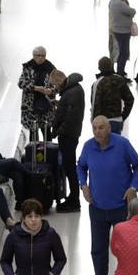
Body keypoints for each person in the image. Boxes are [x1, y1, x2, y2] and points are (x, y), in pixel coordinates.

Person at [77, 116, 138, 275]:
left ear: (109, 128)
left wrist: (133, 187)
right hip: (97, 208)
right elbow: (80, 166)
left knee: (126, 249)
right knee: (98, 249)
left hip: (121, 208)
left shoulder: (122, 145)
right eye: (94, 128)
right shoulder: (88, 146)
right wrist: (83, 185)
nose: (97, 131)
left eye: (101, 128)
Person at [49, 71, 85, 213]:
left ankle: (74, 201)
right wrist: (60, 104)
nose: (55, 88)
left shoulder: (72, 92)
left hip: (68, 135)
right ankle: (72, 197)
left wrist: (58, 130)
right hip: (70, 134)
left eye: (54, 85)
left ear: (58, 82)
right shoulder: (72, 90)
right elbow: (69, 110)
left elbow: (70, 118)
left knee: (70, 167)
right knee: (69, 166)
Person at [18, 46, 57, 142]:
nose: (41, 58)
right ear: (34, 56)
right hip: (31, 107)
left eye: (43, 55)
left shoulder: (51, 68)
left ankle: (48, 154)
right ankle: (33, 155)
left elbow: (58, 86)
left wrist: (51, 91)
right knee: (33, 134)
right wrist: (35, 88)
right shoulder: (28, 67)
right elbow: (21, 83)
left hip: (46, 106)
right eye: (38, 55)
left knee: (47, 132)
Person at [91, 57, 135, 134]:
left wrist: (94, 123)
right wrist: (123, 116)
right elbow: (130, 99)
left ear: (99, 68)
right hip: (117, 121)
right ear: (112, 66)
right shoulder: (120, 80)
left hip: (102, 123)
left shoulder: (97, 83)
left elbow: (95, 105)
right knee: (116, 145)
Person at [108, 0, 136, 76]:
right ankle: (120, 73)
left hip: (117, 30)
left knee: (121, 52)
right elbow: (132, 11)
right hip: (123, 32)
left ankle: (121, 71)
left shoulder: (112, 1)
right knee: (123, 53)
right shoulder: (119, 3)